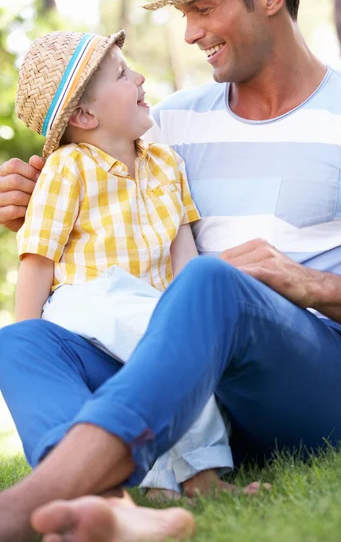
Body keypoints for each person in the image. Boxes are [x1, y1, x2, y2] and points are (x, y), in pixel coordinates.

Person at [0, 0, 341, 540]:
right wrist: (23, 195)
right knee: (23, 341)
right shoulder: (170, 124)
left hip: (316, 389)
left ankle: (28, 506)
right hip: (191, 383)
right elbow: (95, 187)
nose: (189, 34)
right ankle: (104, 500)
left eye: (204, 9)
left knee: (211, 279)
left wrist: (304, 282)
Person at [13, 29, 235, 500]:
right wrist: (30, 341)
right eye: (121, 73)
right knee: (161, 335)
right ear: (85, 115)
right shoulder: (67, 168)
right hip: (86, 301)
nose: (138, 76)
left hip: (146, 305)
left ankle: (162, 483)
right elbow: (38, 258)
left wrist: (193, 310)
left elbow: (184, 255)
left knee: (180, 340)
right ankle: (201, 471)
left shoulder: (165, 164)